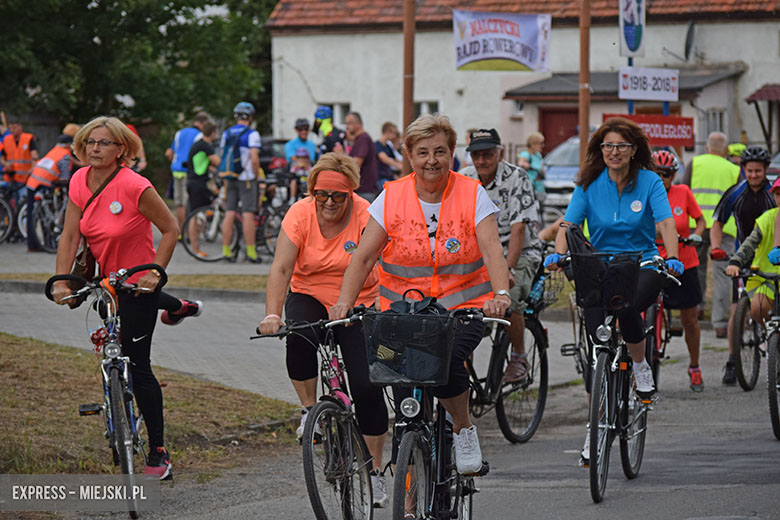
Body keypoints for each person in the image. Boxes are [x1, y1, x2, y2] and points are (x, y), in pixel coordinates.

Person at [329, 113, 512, 476]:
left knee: (444, 365)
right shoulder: (391, 197)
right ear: (409, 156)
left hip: (462, 308)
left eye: (440, 151)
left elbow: (493, 251)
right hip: (401, 314)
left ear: (452, 154)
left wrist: (501, 293)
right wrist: (344, 303)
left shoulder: (472, 194)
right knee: (405, 409)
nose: (432, 160)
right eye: (423, 152)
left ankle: (463, 429)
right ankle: (410, 505)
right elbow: (363, 257)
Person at [544, 117, 682, 464]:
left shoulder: (650, 181)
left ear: (634, 150)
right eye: (608, 146)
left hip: (642, 261)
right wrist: (559, 254)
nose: (614, 152)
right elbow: (569, 224)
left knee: (625, 304)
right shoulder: (589, 184)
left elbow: (665, 221)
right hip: (600, 263)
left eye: (621, 146)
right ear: (600, 150)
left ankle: (640, 367)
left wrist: (674, 256)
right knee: (598, 341)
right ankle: (596, 431)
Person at [50, 116, 180, 479]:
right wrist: (61, 281)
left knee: (138, 365)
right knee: (112, 349)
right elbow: (69, 236)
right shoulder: (78, 180)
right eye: (90, 142)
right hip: (105, 282)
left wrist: (155, 272)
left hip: (138, 284)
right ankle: (178, 306)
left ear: (121, 149)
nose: (94, 148)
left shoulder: (135, 185)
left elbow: (171, 229)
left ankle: (158, 452)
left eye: (103, 143)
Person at [257, 152, 390, 508]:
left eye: (338, 196)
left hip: (358, 299)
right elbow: (282, 269)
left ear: (351, 193)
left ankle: (376, 473)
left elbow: (379, 262)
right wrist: (272, 314)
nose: (329, 202)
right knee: (298, 334)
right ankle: (308, 410)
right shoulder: (299, 213)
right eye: (322, 195)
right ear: (312, 192)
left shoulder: (366, 213)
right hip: (310, 294)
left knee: (366, 384)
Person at [459, 128, 543, 383]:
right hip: (482, 253)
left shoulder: (517, 177)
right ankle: (462, 376)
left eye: (488, 154)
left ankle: (519, 355)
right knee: (461, 313)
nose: (482, 161)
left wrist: (506, 270)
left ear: (500, 153)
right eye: (477, 155)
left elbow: (519, 228)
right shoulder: (464, 178)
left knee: (511, 298)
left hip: (519, 252)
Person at [709, 145, 775, 384]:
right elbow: (717, 222)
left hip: (772, 258)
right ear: (743, 169)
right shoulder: (735, 193)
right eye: (749, 171)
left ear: (766, 170)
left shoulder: (774, 193)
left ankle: (772, 342)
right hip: (743, 257)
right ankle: (732, 360)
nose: (754, 175)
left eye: (758, 171)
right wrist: (716, 247)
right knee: (737, 309)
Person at [652, 150, 707, 391]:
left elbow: (700, 220)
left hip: (684, 262)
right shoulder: (644, 195)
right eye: (656, 173)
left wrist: (697, 235)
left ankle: (694, 366)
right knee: (641, 314)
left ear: (674, 175)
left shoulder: (683, 193)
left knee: (689, 319)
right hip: (653, 260)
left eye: (666, 174)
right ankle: (641, 366)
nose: (661, 178)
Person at [682, 131, 740, 337]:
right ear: (725, 150)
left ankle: (696, 308)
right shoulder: (734, 169)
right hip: (724, 228)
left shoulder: (694, 163)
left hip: (695, 225)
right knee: (723, 273)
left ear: (707, 148)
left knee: (695, 268)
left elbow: (683, 191)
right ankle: (721, 323)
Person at [726, 178, 780, 332]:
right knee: (757, 308)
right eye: (777, 194)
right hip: (766, 276)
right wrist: (736, 262)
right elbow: (750, 243)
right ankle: (768, 332)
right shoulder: (767, 219)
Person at [220, 101, 263, 263]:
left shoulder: (227, 133)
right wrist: (256, 175)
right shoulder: (252, 134)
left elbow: (223, 154)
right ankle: (251, 252)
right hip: (247, 178)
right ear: (250, 117)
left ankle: (226, 251)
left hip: (230, 176)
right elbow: (254, 158)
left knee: (229, 213)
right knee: (248, 215)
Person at [24, 134, 74, 252]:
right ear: (68, 145)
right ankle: (49, 244)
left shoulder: (54, 151)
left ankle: (32, 245)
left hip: (32, 183)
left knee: (32, 216)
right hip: (44, 185)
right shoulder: (66, 155)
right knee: (47, 214)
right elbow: (64, 177)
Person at [165, 111, 211, 230]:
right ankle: (189, 231)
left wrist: (175, 162)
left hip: (176, 170)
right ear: (203, 123)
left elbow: (169, 153)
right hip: (189, 171)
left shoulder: (180, 133)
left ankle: (181, 230)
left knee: (179, 203)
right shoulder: (199, 136)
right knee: (187, 203)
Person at [185, 120, 221, 258]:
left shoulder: (198, 144)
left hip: (194, 182)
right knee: (194, 215)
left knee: (196, 214)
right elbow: (218, 162)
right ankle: (196, 249)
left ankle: (196, 246)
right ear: (212, 133)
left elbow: (203, 163)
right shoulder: (205, 146)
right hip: (197, 184)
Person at [1, 120, 39, 203]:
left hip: (24, 179)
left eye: (14, 128)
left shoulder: (28, 139)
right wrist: (5, 164)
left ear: (20, 127)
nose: (12, 130)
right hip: (11, 177)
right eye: (10, 128)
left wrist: (33, 168)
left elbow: (34, 156)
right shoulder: (6, 140)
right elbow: (2, 157)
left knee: (23, 201)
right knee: (11, 203)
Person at [345, 111, 379, 201]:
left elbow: (356, 164)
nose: (347, 127)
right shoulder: (360, 139)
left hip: (364, 190)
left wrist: (341, 156)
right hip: (364, 190)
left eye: (349, 123)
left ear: (358, 124)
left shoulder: (363, 139)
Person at [518, 132, 547, 210]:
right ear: (533, 144)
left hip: (539, 185)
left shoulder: (538, 155)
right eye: (540, 143)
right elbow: (521, 163)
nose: (542, 145)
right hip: (529, 185)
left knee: (540, 208)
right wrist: (526, 165)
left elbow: (541, 166)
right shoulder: (526, 154)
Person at [375, 122, 403, 190]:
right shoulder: (376, 145)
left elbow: (396, 159)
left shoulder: (388, 146)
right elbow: (386, 159)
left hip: (389, 176)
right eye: (394, 133)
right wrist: (401, 167)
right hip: (380, 178)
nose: (395, 136)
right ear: (388, 132)